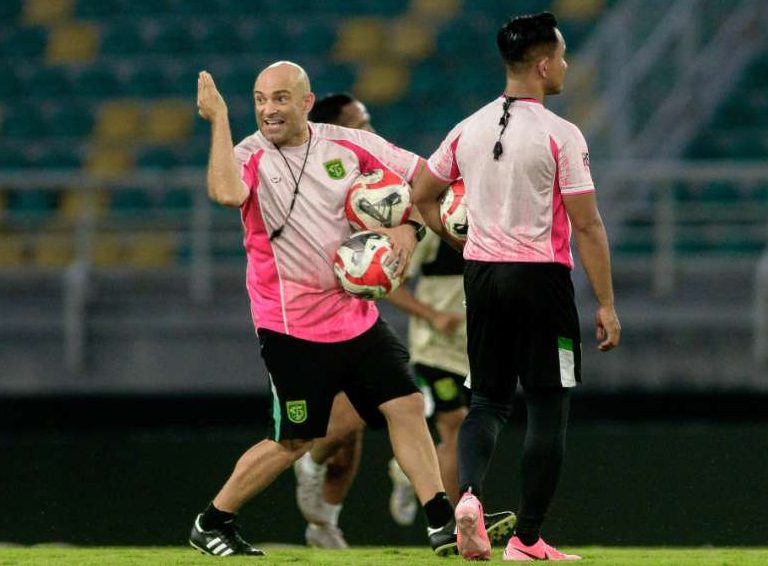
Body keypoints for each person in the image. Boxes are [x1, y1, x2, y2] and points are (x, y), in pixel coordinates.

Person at [189, 61, 457, 557]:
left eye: (281, 98)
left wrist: (408, 228)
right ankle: (212, 521)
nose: (269, 109)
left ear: (306, 102)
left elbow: (423, 178)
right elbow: (225, 194)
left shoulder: (347, 144)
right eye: (260, 99)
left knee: (406, 405)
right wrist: (219, 119)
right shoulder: (247, 155)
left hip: (355, 317)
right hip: (290, 327)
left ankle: (442, 524)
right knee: (293, 441)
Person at [412, 12, 621, 561]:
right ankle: (527, 539)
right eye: (564, 57)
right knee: (549, 407)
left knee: (486, 402)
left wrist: (452, 238)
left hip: (481, 277)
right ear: (545, 64)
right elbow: (587, 224)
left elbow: (420, 193)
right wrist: (606, 302)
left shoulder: (468, 127)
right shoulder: (561, 135)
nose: (567, 66)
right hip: (541, 281)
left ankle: (472, 497)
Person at [292, 93, 515, 550]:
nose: (372, 131)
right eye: (362, 123)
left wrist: (407, 231)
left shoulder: (386, 181)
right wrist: (431, 311)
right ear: (336, 132)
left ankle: (329, 525)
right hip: (309, 319)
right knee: (347, 434)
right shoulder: (305, 184)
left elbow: (409, 220)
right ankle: (295, 481)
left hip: (376, 321)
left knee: (383, 419)